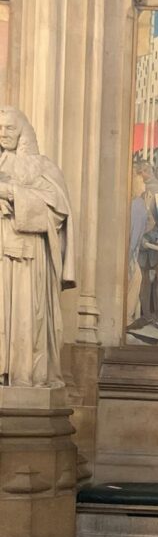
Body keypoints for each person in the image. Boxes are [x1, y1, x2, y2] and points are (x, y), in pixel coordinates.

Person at [0, 107, 76, 386]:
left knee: (26, 316)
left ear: (22, 130)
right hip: (2, 253)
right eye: (0, 128)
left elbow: (57, 209)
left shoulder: (42, 166)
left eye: (9, 128)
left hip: (29, 258)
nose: (3, 134)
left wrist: (11, 193)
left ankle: (23, 376)